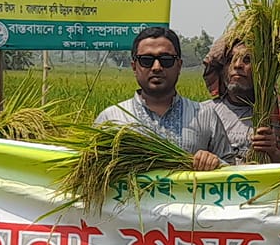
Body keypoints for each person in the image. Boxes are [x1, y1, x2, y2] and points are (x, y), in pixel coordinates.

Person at [94, 26, 234, 170]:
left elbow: (233, 171)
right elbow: (91, 168)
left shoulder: (205, 116)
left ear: (179, 66)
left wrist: (215, 162)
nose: (156, 67)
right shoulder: (110, 119)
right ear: (134, 67)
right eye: (146, 60)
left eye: (166, 59)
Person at [195, 30, 280, 163]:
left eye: (247, 59)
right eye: (230, 60)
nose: (237, 65)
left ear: (261, 70)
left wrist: (272, 151)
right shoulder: (202, 113)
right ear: (222, 70)